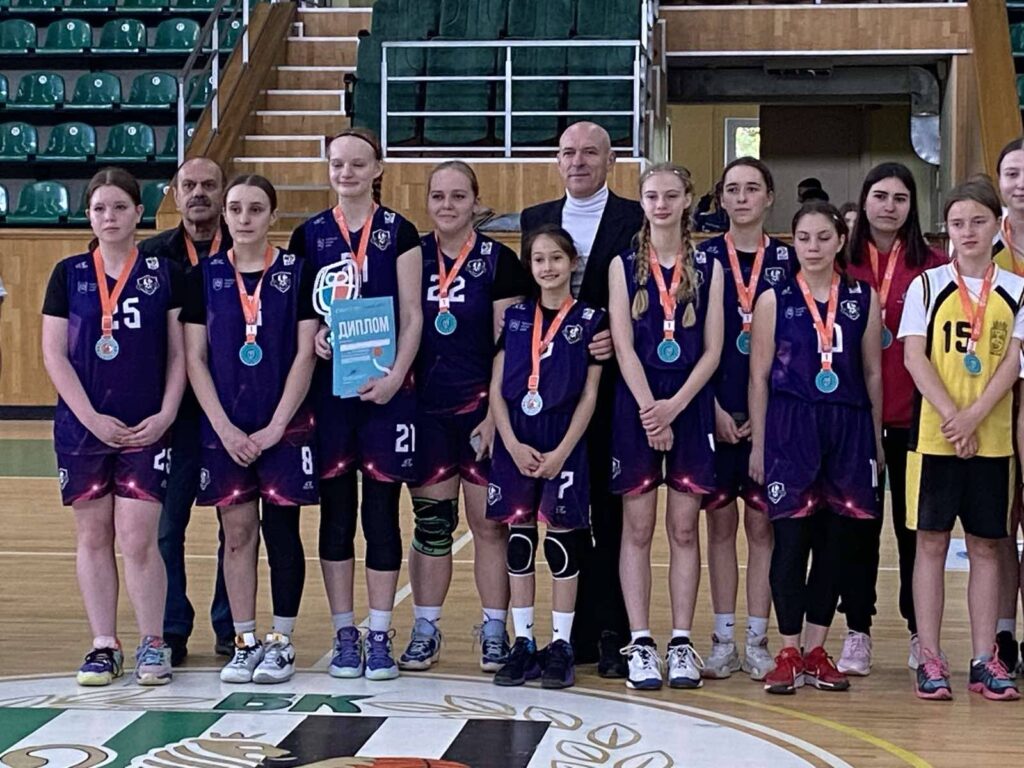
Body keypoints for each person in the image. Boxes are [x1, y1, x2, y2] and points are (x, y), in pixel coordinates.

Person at [41, 167, 186, 686]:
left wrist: (167, 413)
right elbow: (54, 355)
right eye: (100, 208)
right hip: (84, 428)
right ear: (88, 215)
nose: (110, 217)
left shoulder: (163, 273)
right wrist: (91, 419)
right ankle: (104, 644)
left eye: (120, 207)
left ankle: (153, 643)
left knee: (138, 538)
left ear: (138, 213)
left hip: (146, 426)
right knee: (93, 535)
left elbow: (179, 355)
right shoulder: (68, 273)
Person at [288, 127, 423, 681]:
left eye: (357, 164)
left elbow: (413, 315)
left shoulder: (401, 231)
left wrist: (396, 376)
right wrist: (319, 338)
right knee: (337, 514)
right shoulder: (309, 234)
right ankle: (345, 633)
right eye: (337, 164)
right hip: (332, 394)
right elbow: (304, 316)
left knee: (382, 514)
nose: (346, 173)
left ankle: (380, 632)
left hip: (387, 392)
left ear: (377, 169)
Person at [182, 174, 318, 685]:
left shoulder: (298, 273)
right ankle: (244, 642)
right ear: (225, 214)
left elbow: (305, 354)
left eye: (255, 209)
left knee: (282, 534)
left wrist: (276, 426)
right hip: (225, 430)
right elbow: (195, 359)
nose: (244, 218)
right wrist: (224, 428)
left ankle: (281, 642)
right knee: (236, 534)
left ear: (272, 216)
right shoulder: (204, 276)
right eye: (236, 208)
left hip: (285, 427)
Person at [519, 120, 642, 676]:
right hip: (551, 393)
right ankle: (576, 633)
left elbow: (645, 296)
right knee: (565, 516)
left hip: (612, 388)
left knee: (610, 512)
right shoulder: (535, 218)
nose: (578, 161)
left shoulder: (635, 219)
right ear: (558, 160)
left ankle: (614, 630)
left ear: (610, 161)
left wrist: (618, 334)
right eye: (568, 152)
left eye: (590, 153)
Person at [399, 161, 532, 673]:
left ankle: (494, 631)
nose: (448, 205)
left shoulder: (499, 261)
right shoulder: (411, 257)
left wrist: (496, 416)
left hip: (480, 411)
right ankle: (425, 628)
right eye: (438, 196)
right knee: (432, 525)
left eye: (458, 196)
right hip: (426, 412)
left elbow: (509, 346)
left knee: (489, 526)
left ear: (476, 202)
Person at [750, 201, 883, 696]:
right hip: (792, 426)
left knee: (834, 544)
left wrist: (875, 439)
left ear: (840, 240)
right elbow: (758, 378)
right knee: (790, 542)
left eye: (824, 237)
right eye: (804, 238)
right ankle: (788, 650)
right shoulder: (774, 299)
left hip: (848, 426)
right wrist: (759, 444)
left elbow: (872, 373)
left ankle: (817, 649)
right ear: (794, 242)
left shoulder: (862, 297)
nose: (813, 247)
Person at [901, 178, 1023, 702]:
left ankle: (983, 658)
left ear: (997, 224)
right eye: (957, 223)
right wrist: (954, 418)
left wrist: (974, 418)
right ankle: (930, 656)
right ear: (946, 229)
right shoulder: (926, 286)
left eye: (978, 221)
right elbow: (914, 356)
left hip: (992, 438)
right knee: (929, 543)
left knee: (986, 546)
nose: (968, 231)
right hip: (935, 437)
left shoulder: (1016, 290)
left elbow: (1013, 362)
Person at [610, 163, 724, 691]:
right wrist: (649, 411)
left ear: (687, 201)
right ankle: (640, 642)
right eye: (652, 196)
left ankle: (680, 642)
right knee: (636, 530)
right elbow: (623, 346)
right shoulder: (622, 266)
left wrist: (673, 407)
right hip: (637, 406)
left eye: (671, 195)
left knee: (683, 529)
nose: (661, 204)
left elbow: (713, 350)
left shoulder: (710, 266)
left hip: (689, 404)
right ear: (642, 202)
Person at [486, 224, 605, 689]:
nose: (548, 267)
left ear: (572, 263)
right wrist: (510, 443)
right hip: (517, 440)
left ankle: (561, 644)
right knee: (519, 542)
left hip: (563, 443)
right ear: (529, 266)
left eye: (556, 258)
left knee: (560, 544)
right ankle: (523, 642)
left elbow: (590, 395)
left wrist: (562, 451)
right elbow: (496, 388)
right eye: (539, 259)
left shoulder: (590, 320)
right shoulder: (515, 318)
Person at [842, 162, 948, 676]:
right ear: (864, 201)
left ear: (912, 206)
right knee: (857, 530)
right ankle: (857, 630)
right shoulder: (840, 262)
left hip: (913, 419)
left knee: (913, 531)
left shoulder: (935, 267)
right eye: (880, 196)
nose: (889, 206)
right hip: (852, 420)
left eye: (900, 198)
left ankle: (917, 630)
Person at [138, 157, 234, 664]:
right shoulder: (150, 256)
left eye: (209, 185)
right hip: (171, 413)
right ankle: (171, 628)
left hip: (232, 410)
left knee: (235, 527)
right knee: (167, 526)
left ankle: (231, 626)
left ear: (223, 193)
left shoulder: (245, 251)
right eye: (189, 185)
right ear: (174, 194)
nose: (199, 193)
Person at [700, 157, 793, 681]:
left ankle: (757, 639)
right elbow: (688, 340)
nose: (741, 198)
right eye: (732, 189)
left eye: (752, 188)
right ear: (721, 198)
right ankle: (722, 640)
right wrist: (711, 407)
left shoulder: (789, 258)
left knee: (762, 529)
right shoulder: (702, 258)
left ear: (769, 196)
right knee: (719, 527)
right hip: (713, 413)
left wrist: (765, 414)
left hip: (770, 419)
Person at [992, 137, 1024, 673]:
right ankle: (1001, 634)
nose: (1021, 184)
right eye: (1013, 173)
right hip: (996, 398)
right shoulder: (981, 242)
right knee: (996, 525)